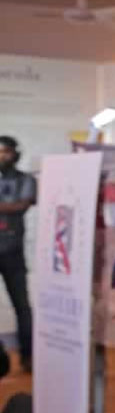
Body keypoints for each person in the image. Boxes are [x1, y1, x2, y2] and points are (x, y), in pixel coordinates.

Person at [0, 136, 35, 374]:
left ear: (15, 154)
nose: (2, 156)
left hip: (13, 253)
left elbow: (22, 205)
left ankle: (28, 356)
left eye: (6, 152)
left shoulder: (26, 180)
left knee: (22, 307)